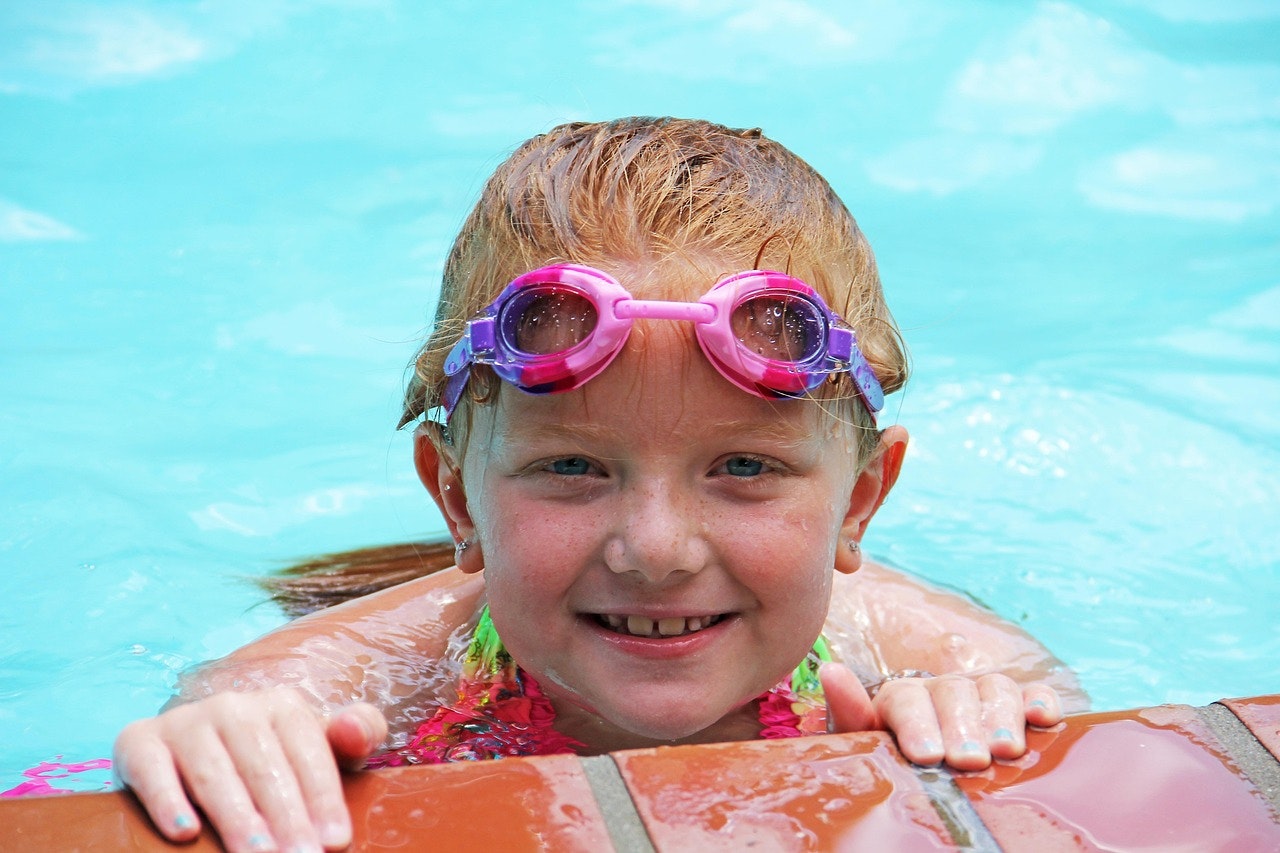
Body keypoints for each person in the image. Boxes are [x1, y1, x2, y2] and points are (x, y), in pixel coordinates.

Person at [113, 117, 1086, 853]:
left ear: (862, 498)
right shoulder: (372, 677)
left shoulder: (918, 653)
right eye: (571, 467)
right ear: (455, 496)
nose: (655, 550)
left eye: (744, 466)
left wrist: (977, 724)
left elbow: (1057, 731)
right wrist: (223, 738)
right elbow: (233, 709)